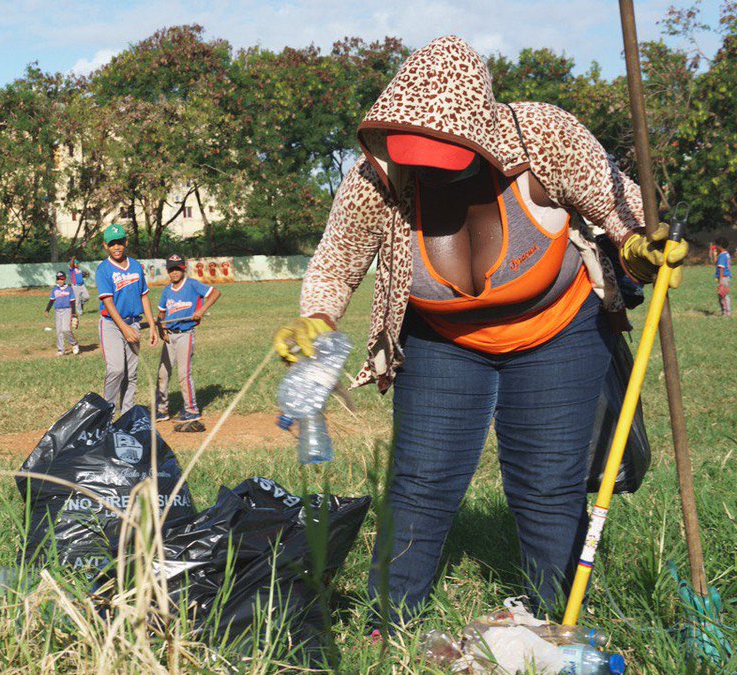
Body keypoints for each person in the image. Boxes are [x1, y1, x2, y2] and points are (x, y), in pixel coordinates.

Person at [272, 36, 686, 626]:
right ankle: (389, 623)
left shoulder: (544, 138)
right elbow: (337, 261)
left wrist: (639, 245)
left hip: (557, 333)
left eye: (442, 159)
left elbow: (619, 210)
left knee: (546, 484)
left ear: (481, 138)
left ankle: (554, 622)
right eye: (412, 156)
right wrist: (315, 319)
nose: (424, 174)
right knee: (420, 479)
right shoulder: (378, 178)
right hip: (443, 340)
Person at [96, 224, 157, 416]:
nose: (117, 247)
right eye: (112, 243)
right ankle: (107, 415)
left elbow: (144, 296)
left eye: (120, 242)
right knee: (116, 370)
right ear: (105, 245)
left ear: (126, 242)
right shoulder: (104, 269)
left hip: (133, 323)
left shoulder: (136, 266)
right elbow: (108, 302)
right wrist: (124, 328)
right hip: (112, 325)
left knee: (131, 374)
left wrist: (152, 326)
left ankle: (128, 416)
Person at [155, 254, 221, 424]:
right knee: (163, 373)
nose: (174, 272)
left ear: (183, 268)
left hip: (185, 334)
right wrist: (161, 326)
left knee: (183, 374)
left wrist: (201, 310)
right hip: (170, 335)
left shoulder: (192, 284)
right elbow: (161, 313)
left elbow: (215, 293)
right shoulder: (167, 290)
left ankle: (191, 410)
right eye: (171, 269)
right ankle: (161, 410)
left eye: (178, 268)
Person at [46, 271, 80, 355]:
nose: (60, 281)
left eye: (62, 279)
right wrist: (47, 310)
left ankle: (74, 343)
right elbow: (51, 300)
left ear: (65, 279)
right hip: (58, 311)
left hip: (67, 310)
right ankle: (61, 349)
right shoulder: (55, 289)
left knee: (66, 329)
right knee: (58, 331)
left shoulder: (69, 289)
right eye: (58, 279)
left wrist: (73, 313)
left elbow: (72, 301)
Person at [717, 237, 731, 318]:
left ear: (720, 246)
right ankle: (724, 312)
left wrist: (720, 280)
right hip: (726, 277)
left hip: (724, 277)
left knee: (723, 295)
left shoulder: (722, 256)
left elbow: (721, 268)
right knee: (722, 295)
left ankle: (726, 313)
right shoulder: (727, 254)